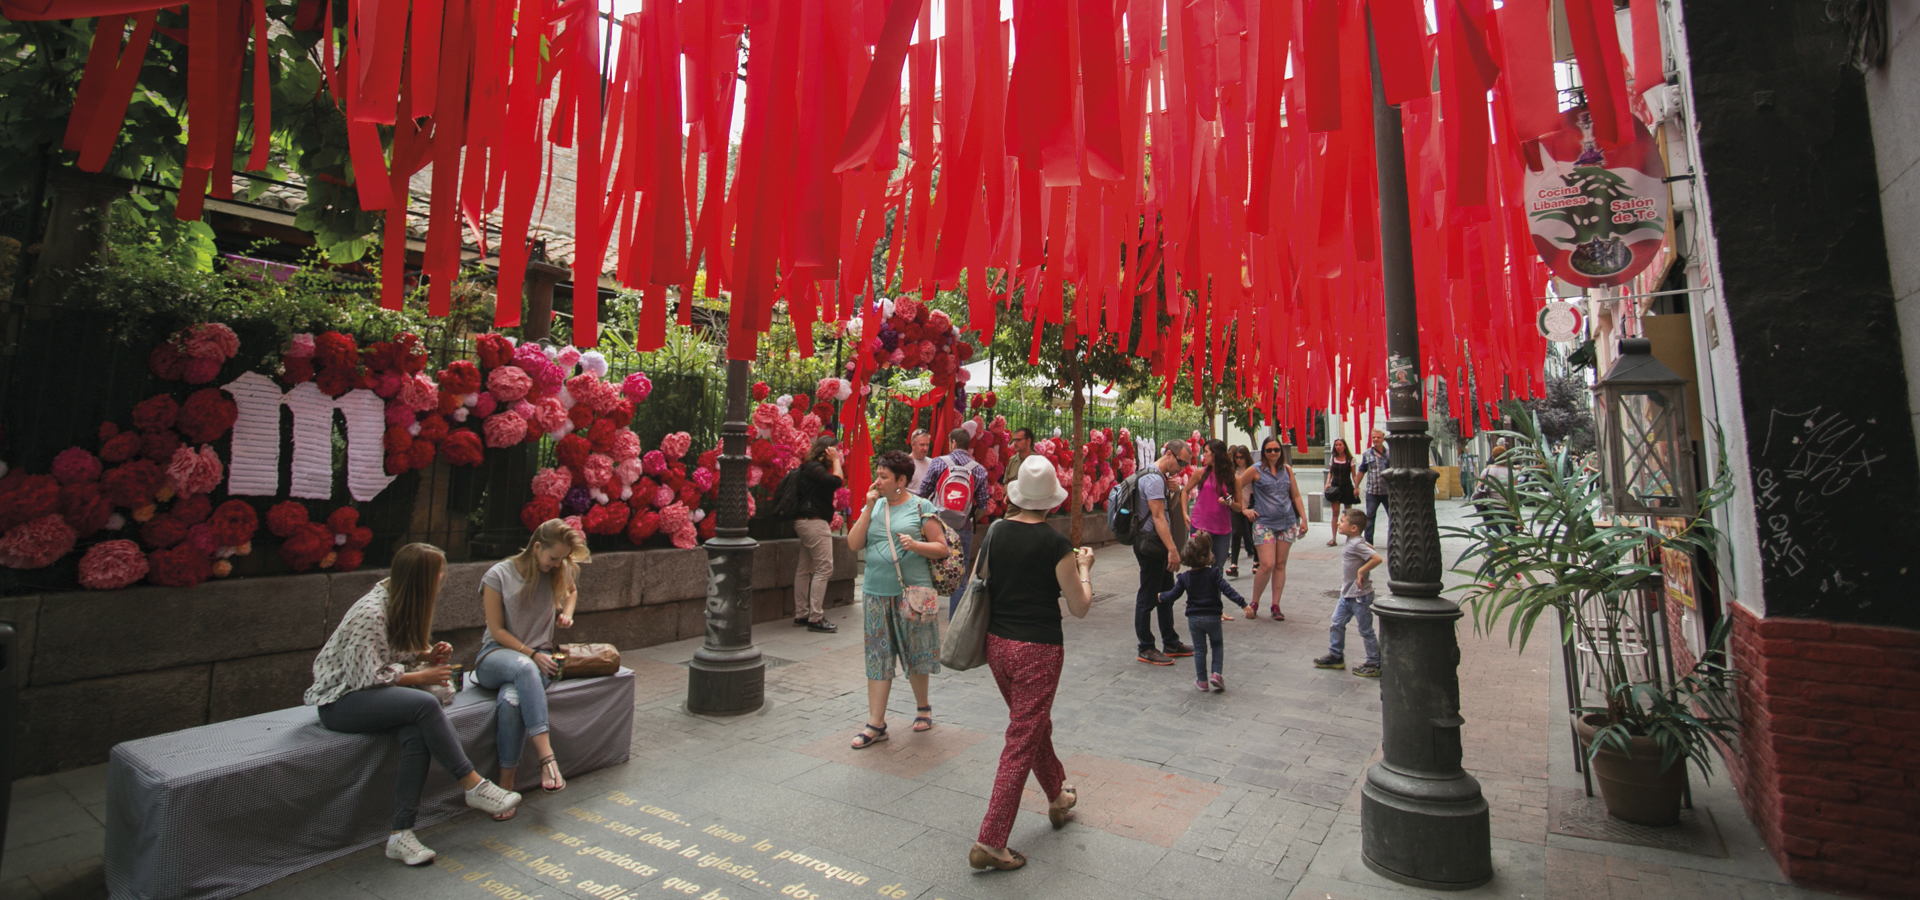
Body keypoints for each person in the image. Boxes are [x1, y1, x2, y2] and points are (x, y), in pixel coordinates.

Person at [305, 543, 521, 866]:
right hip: (341, 701)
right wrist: (424, 676)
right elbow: (367, 677)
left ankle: (400, 835)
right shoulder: (371, 612)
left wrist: (425, 655)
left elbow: (389, 651)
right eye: (438, 573)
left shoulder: (396, 601)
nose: (442, 577)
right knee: (423, 705)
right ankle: (472, 784)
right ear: (421, 578)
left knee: (416, 732)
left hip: (367, 695)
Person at [970, 455, 1095, 871]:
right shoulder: (1055, 543)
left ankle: (1058, 794)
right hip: (1038, 649)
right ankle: (991, 839)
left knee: (1032, 723)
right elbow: (1079, 607)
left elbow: (982, 577)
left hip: (998, 646)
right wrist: (1085, 569)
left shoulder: (996, 531)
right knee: (1022, 738)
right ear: (1051, 502)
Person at [474, 519, 588, 815]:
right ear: (536, 547)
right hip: (496, 656)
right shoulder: (498, 575)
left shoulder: (559, 568)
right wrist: (531, 655)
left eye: (562, 559)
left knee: (511, 701)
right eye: (553, 558)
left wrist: (567, 613)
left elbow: (572, 591)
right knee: (524, 669)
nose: (557, 564)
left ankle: (505, 787)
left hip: (539, 658)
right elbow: (497, 631)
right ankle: (547, 758)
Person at [847, 450, 951, 748]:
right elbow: (854, 543)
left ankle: (923, 708)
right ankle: (876, 723)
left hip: (914, 594)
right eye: (877, 475)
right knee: (878, 656)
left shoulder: (921, 506)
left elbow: (941, 548)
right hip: (875, 593)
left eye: (883, 477)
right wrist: (867, 509)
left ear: (901, 480)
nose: (877, 481)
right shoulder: (876, 505)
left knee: (917, 651)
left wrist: (915, 544)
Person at [1157, 533, 1247, 693]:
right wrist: (1243, 604)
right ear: (1208, 554)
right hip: (1213, 617)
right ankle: (1216, 674)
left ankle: (1202, 681)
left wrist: (1161, 597)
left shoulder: (1185, 578)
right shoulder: (1213, 574)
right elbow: (1228, 590)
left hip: (1194, 619)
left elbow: (1173, 594)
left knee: (1199, 649)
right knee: (1217, 644)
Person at [916, 427, 989, 616]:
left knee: (927, 569)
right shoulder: (979, 469)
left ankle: (925, 613)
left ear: (953, 443)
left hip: (935, 525)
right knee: (960, 577)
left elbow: (923, 493)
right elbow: (982, 504)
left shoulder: (939, 463)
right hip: (961, 528)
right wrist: (969, 519)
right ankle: (954, 624)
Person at [1134, 439, 1195, 665]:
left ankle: (1170, 641)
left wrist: (1176, 490)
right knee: (1148, 595)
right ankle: (1146, 647)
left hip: (1158, 543)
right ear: (1169, 454)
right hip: (1151, 545)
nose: (1182, 468)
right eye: (1180, 462)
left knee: (1166, 594)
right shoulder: (1152, 479)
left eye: (1186, 465)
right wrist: (1172, 550)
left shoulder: (1161, 478)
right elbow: (1158, 517)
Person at [1235, 437, 1307, 620]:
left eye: (1276, 450)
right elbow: (1235, 487)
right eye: (1269, 450)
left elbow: (1296, 495)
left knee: (1280, 564)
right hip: (1264, 522)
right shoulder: (1255, 470)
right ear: (1263, 452)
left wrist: (1304, 519)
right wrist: (1243, 509)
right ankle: (1255, 601)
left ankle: (1276, 605)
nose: (1273, 453)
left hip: (1287, 522)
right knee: (1267, 564)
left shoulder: (1287, 470)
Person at [1314, 509, 1383, 678]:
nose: (1338, 523)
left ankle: (1374, 662)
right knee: (1336, 623)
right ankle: (1336, 655)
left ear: (1353, 528)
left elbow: (1377, 558)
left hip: (1360, 596)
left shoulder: (1357, 543)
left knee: (1365, 630)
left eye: (1342, 521)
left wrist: (1361, 571)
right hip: (1347, 595)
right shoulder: (1355, 541)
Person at [791, 435, 846, 633]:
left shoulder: (810, 468)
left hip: (805, 522)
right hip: (814, 523)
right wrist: (836, 461)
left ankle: (802, 614)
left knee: (804, 568)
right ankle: (815, 617)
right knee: (824, 568)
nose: (838, 453)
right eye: (835, 450)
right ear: (827, 450)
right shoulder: (816, 468)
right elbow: (837, 481)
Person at [1180, 439, 1240, 618]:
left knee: (1217, 568)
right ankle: (1196, 605)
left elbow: (1239, 506)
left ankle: (1216, 609)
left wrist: (1228, 501)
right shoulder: (1200, 473)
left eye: (1206, 452)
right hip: (1200, 525)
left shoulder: (1232, 478)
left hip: (1222, 528)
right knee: (1197, 565)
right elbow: (1185, 491)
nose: (1203, 455)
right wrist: (1184, 512)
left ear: (1216, 454)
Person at [1355, 429, 1391, 545]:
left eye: (1378, 437)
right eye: (1374, 438)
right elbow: (1361, 471)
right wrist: (1356, 486)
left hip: (1387, 492)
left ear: (1383, 439)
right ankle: (1368, 542)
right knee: (1370, 517)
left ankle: (1393, 540)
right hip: (1372, 491)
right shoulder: (1367, 454)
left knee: (1393, 516)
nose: (1376, 440)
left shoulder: (1390, 454)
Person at [1322, 439, 1359, 547]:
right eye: (1336, 445)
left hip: (1347, 487)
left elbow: (1354, 475)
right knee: (1335, 512)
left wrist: (1356, 487)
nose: (1338, 447)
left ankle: (1350, 537)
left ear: (1344, 446)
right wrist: (1327, 483)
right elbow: (1330, 472)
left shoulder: (1350, 459)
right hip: (1335, 487)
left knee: (1348, 514)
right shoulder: (1333, 458)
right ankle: (1333, 538)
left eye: (1340, 445)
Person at [1226, 445, 1256, 578]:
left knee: (1252, 532)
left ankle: (1256, 561)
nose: (1239, 460)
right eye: (1237, 458)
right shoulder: (1233, 471)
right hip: (1238, 505)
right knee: (1236, 532)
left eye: (1241, 458)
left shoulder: (1252, 470)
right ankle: (1234, 564)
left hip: (1251, 503)